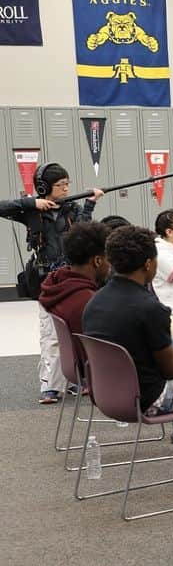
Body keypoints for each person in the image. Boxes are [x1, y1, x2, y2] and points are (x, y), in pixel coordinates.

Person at [0, 163, 103, 403]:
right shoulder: (31, 211)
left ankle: (79, 380)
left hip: (72, 278)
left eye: (68, 184)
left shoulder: (72, 209)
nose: (66, 188)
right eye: (60, 185)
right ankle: (50, 386)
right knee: (51, 334)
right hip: (46, 280)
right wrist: (31, 203)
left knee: (79, 329)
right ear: (45, 187)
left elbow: (83, 230)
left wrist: (90, 203)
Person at [82, 226, 173, 412]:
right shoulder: (150, 308)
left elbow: (146, 356)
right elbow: (171, 369)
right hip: (147, 397)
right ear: (148, 264)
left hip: (107, 393)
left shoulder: (95, 301)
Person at [38, 222, 110, 335]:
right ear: (97, 261)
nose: (110, 266)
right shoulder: (89, 304)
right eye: (108, 259)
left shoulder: (55, 283)